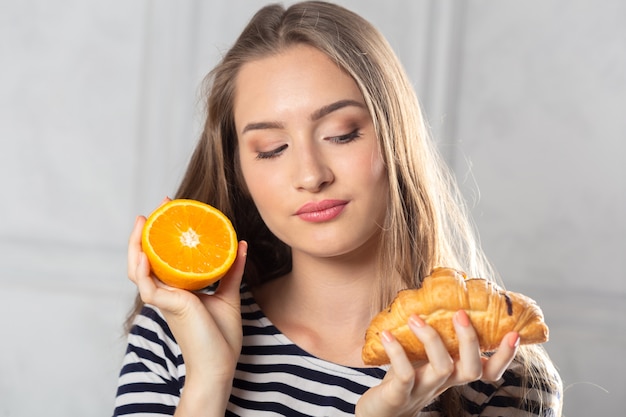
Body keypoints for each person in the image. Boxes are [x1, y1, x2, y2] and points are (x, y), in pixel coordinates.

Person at [113, 1, 562, 416]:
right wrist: (208, 381)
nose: (310, 174)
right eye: (271, 149)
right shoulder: (178, 333)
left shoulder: (500, 375)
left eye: (342, 134)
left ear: (395, 138)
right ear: (240, 173)